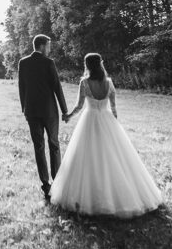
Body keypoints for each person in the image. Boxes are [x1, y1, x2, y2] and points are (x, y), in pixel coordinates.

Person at [50, 52, 162, 217]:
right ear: (100, 64)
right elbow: (114, 108)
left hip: (88, 121)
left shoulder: (84, 82)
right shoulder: (109, 83)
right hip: (107, 120)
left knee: (87, 157)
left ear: (87, 65)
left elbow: (80, 106)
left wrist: (68, 116)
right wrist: (114, 126)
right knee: (115, 156)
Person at [18, 34, 69, 200]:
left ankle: (46, 185)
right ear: (41, 46)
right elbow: (57, 87)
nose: (49, 48)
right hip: (49, 111)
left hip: (31, 112)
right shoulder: (49, 63)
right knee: (54, 144)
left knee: (38, 147)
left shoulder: (23, 63)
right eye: (48, 45)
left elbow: (22, 88)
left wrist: (24, 108)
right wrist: (64, 110)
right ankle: (57, 180)